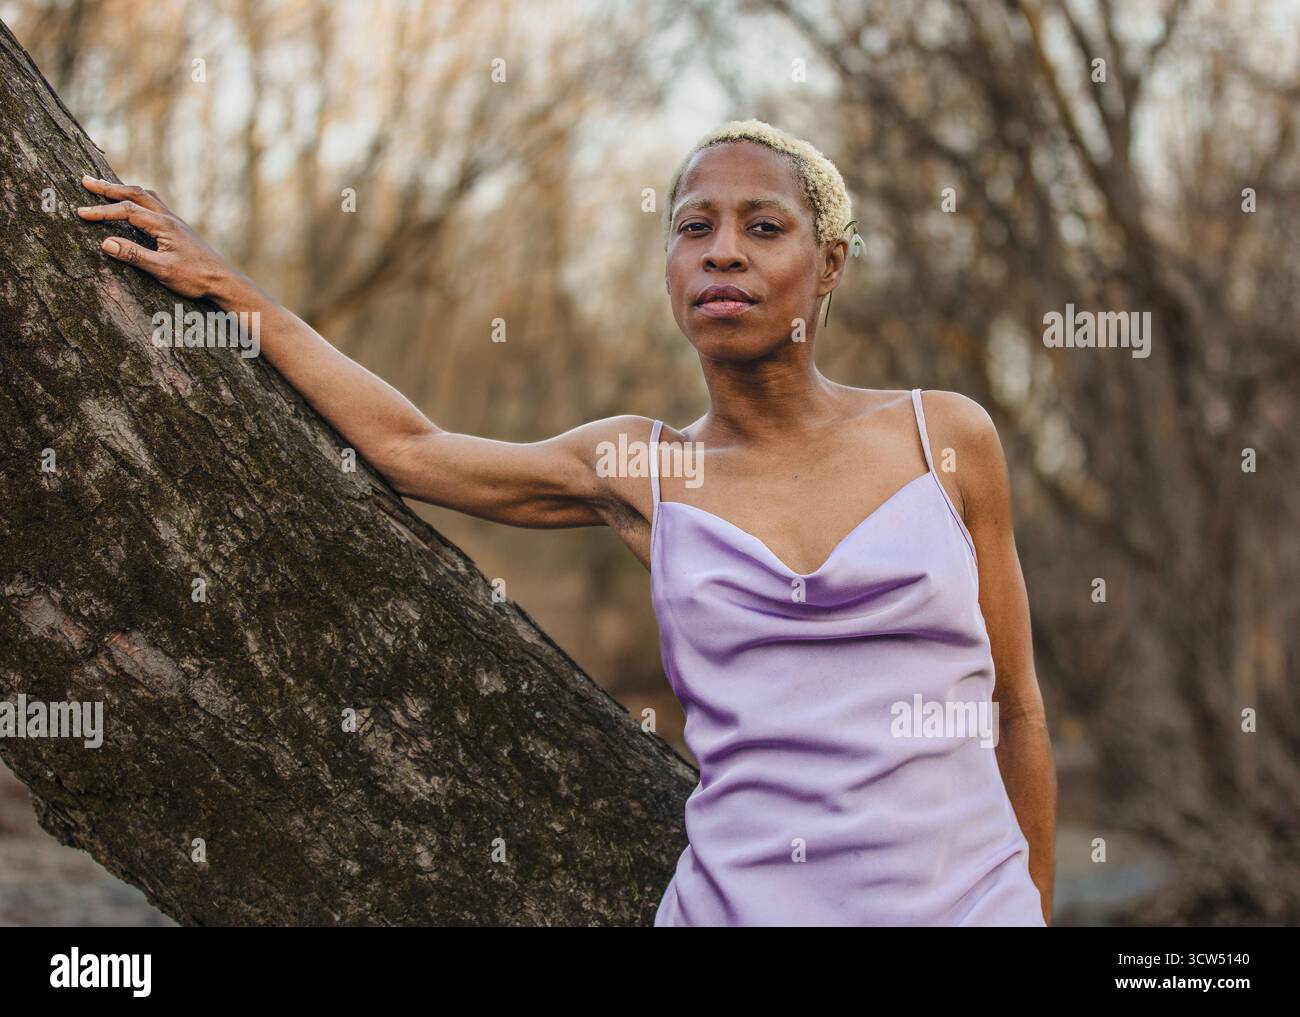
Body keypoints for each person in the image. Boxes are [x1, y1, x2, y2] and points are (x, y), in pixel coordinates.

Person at [75, 117, 1055, 926]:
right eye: (692, 227)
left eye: (764, 227)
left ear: (829, 263)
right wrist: (233, 292)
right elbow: (411, 450)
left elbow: (1016, 711)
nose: (722, 249)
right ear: (669, 266)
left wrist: (1033, 908)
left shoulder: (944, 437)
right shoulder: (640, 467)